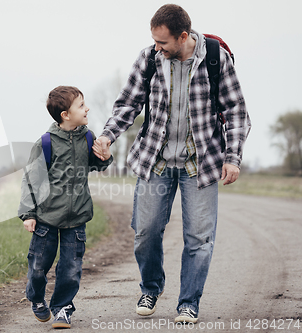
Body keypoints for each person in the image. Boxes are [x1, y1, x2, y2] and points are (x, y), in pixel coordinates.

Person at [93, 4, 251, 324]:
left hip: (200, 164)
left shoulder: (215, 59)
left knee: (198, 239)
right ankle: (152, 287)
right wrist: (109, 135)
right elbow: (128, 104)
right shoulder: (149, 58)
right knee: (145, 232)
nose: (157, 47)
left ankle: (188, 302)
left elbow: (236, 112)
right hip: (157, 160)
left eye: (163, 42)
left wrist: (232, 158)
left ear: (183, 37)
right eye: (154, 41)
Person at [18, 86, 113, 329]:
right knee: (38, 267)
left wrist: (105, 155)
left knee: (71, 269)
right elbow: (31, 179)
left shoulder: (87, 137)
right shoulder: (46, 143)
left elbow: (97, 164)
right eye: (81, 105)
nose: (87, 108)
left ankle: (62, 308)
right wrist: (28, 214)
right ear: (65, 115)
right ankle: (37, 298)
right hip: (46, 218)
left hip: (77, 216)